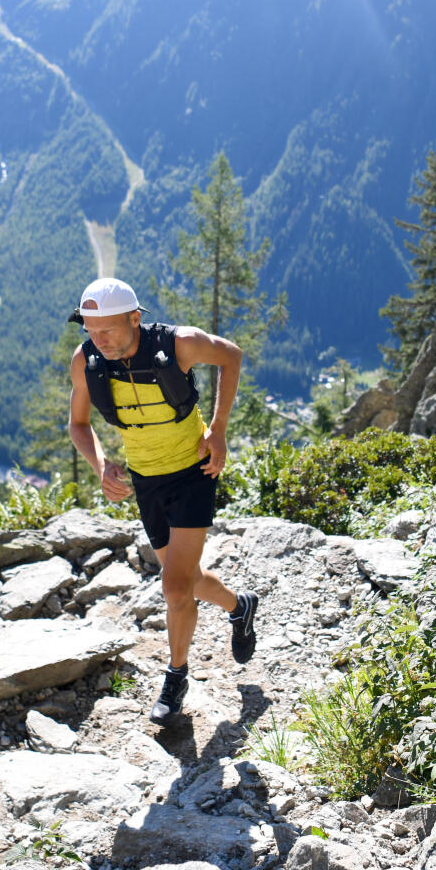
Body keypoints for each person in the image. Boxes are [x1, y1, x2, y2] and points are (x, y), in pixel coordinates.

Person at [67, 276, 258, 723]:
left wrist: (219, 428)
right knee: (186, 580)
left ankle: (176, 677)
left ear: (136, 318)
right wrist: (101, 467)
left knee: (173, 587)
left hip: (194, 471)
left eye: (109, 329)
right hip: (145, 480)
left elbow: (230, 356)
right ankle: (240, 606)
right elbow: (78, 424)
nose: (100, 340)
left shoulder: (179, 345)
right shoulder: (86, 360)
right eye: (91, 330)